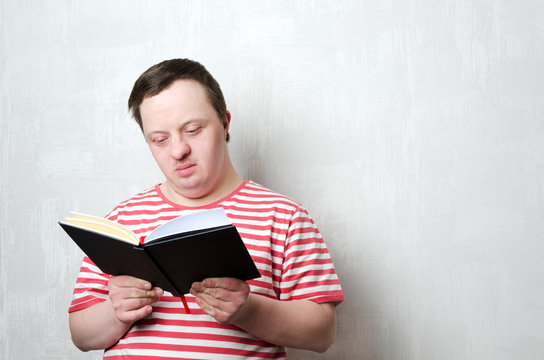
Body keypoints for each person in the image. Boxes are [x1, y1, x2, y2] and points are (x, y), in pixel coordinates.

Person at [68, 58, 344, 359]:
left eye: (193, 130)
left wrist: (249, 310)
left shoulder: (284, 217)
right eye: (159, 139)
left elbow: (322, 334)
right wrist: (116, 311)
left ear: (224, 122)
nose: (178, 151)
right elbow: (81, 335)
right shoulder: (122, 220)